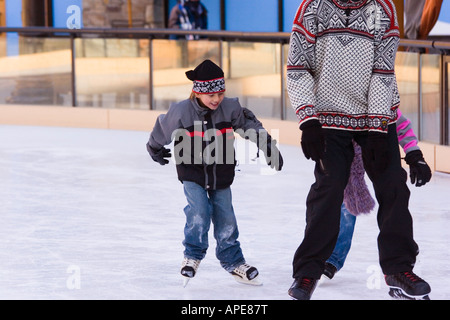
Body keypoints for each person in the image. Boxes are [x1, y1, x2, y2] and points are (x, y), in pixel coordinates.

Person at [286, 0, 431, 300]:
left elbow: (383, 72)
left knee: (393, 185)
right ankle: (308, 271)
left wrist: (378, 129)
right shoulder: (312, 8)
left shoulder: (384, 9)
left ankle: (398, 268)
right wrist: (308, 120)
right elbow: (298, 67)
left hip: (374, 118)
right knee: (329, 187)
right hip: (327, 118)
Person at [146, 59, 283, 287]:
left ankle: (233, 261)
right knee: (199, 211)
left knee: (225, 216)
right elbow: (162, 128)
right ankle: (192, 256)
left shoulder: (230, 108)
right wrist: (154, 148)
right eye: (211, 95)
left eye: (220, 93)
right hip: (192, 172)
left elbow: (249, 123)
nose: (216, 99)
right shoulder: (181, 111)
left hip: (221, 172)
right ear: (197, 92)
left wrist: (266, 145)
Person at [322, 110, 432, 283]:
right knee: (344, 203)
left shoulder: (383, 103)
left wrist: (414, 153)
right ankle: (332, 259)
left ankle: (403, 248)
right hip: (348, 156)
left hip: (379, 151)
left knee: (394, 194)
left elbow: (402, 126)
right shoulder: (337, 102)